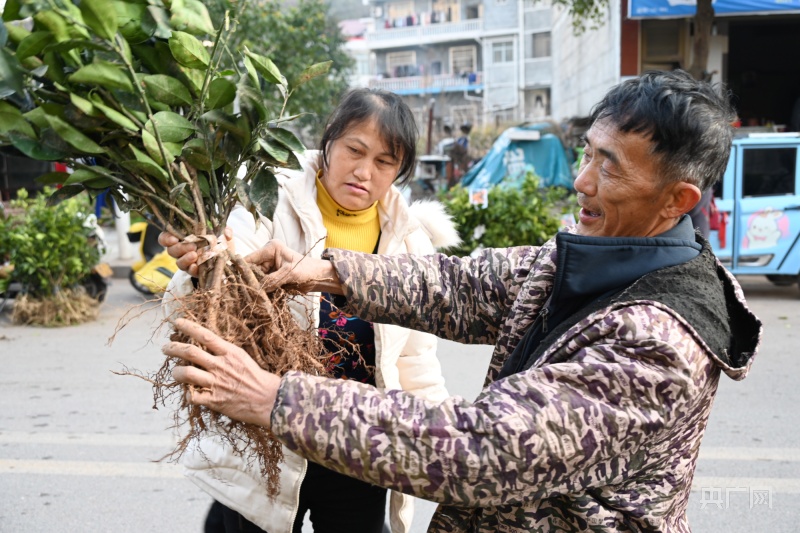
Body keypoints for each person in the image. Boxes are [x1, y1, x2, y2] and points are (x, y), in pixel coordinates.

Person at [162, 70, 762, 532]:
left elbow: (484, 448)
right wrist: (323, 272)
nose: (581, 181)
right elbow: (459, 285)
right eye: (587, 153)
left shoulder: (658, 341)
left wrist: (276, 398)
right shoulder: (583, 258)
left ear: (676, 199)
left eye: (608, 168)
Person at [159, 88, 461, 533]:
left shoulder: (408, 241)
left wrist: (442, 449)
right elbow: (196, 300)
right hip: (268, 436)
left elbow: (414, 361)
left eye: (384, 162)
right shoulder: (265, 201)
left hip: (358, 442)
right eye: (354, 150)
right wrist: (201, 267)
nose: (364, 171)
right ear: (329, 141)